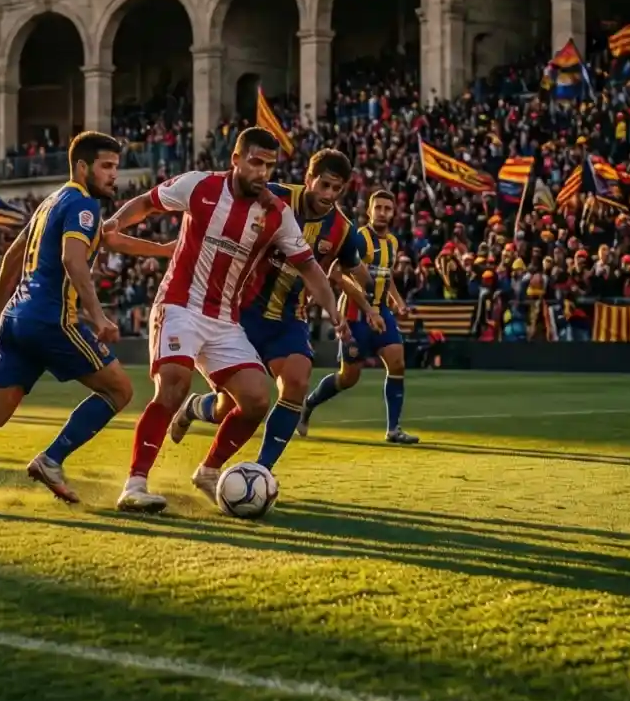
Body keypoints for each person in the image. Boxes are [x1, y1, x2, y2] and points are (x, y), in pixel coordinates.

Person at [0, 132, 172, 505]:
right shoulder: (84, 205)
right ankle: (51, 460)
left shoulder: (50, 203)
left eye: (116, 167)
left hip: (15, 319)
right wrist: (99, 316)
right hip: (51, 320)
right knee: (120, 390)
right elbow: (72, 259)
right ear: (82, 167)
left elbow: (14, 255)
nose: (113, 175)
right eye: (106, 166)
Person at [102, 127, 349, 512]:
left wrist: (333, 309)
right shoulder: (199, 185)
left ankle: (208, 471)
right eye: (255, 162)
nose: (262, 172)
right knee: (174, 384)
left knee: (256, 400)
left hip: (224, 319)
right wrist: (115, 224)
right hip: (180, 305)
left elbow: (310, 268)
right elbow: (148, 202)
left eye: (269, 165)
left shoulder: (276, 213)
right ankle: (135, 484)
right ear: (236, 160)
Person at [167, 148, 370, 482]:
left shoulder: (343, 230)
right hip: (241, 314)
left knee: (297, 381)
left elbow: (349, 270)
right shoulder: (273, 197)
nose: (329, 195)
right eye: (324, 185)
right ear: (309, 178)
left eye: (337, 189)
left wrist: (366, 293)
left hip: (289, 320)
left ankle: (257, 471)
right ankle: (193, 407)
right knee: (227, 408)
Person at [300, 189, 419, 444]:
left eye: (388, 208)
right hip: (355, 314)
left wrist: (398, 303)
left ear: (394, 213)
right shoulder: (358, 238)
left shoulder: (393, 242)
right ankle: (309, 404)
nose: (383, 213)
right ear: (369, 211)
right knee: (348, 377)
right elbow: (336, 274)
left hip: (381, 312)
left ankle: (393, 429)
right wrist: (368, 308)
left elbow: (386, 276)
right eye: (378, 208)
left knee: (397, 363)